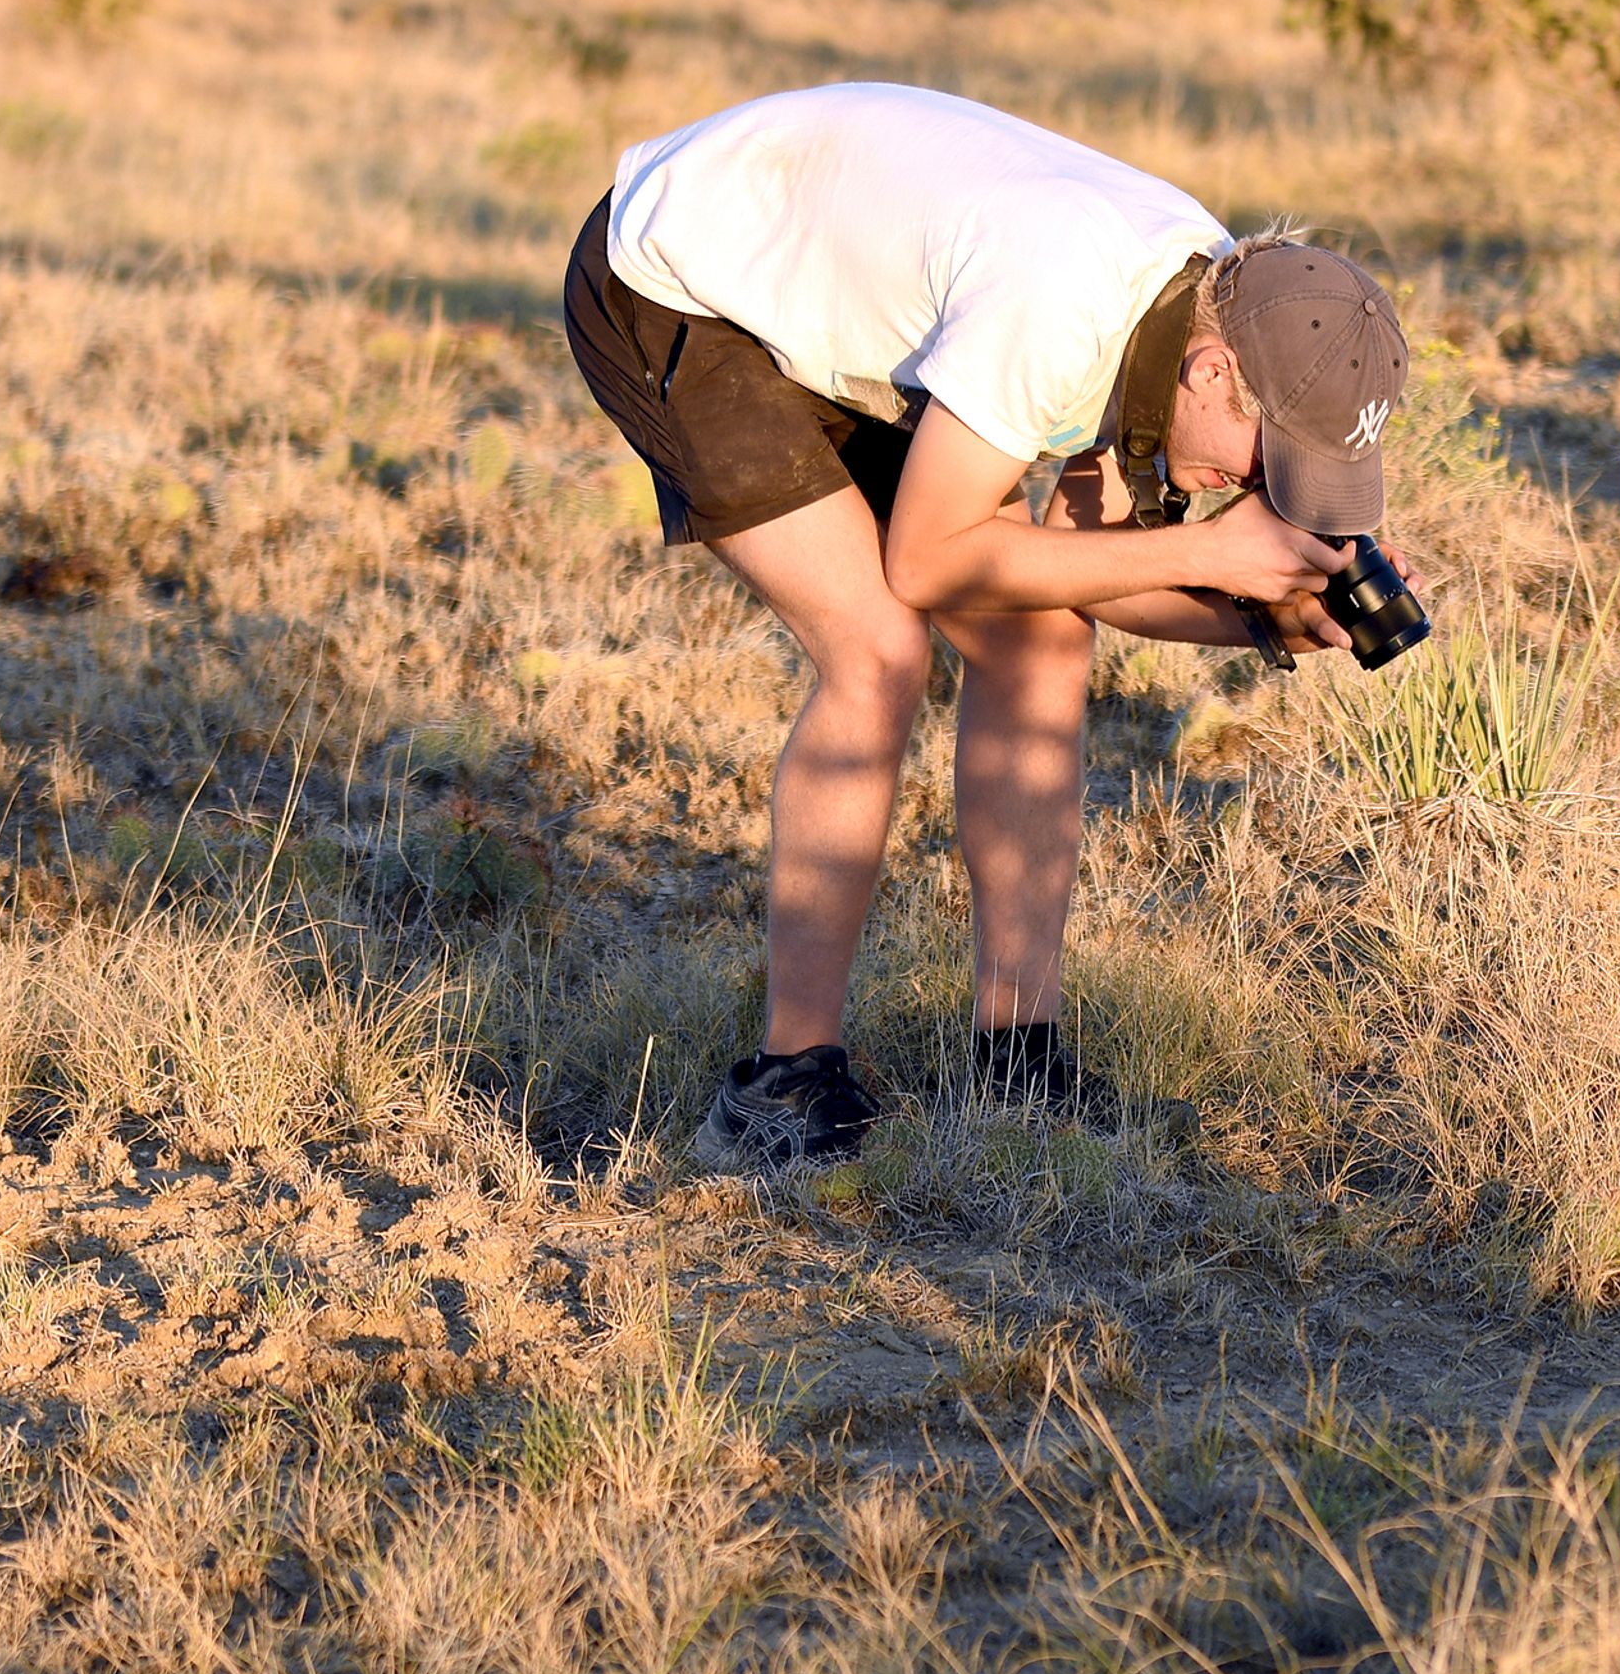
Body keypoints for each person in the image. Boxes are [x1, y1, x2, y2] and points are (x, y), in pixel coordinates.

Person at [559, 81, 1412, 1175]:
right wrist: (1210, 556)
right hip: (680, 284)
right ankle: (780, 1087)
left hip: (831, 308)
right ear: (1216, 374)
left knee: (1041, 640)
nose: (1256, 490)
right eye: (1267, 461)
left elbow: (1080, 577)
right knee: (877, 649)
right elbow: (928, 561)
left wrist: (1266, 620)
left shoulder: (1204, 306)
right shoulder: (1061, 304)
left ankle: (1018, 1057)